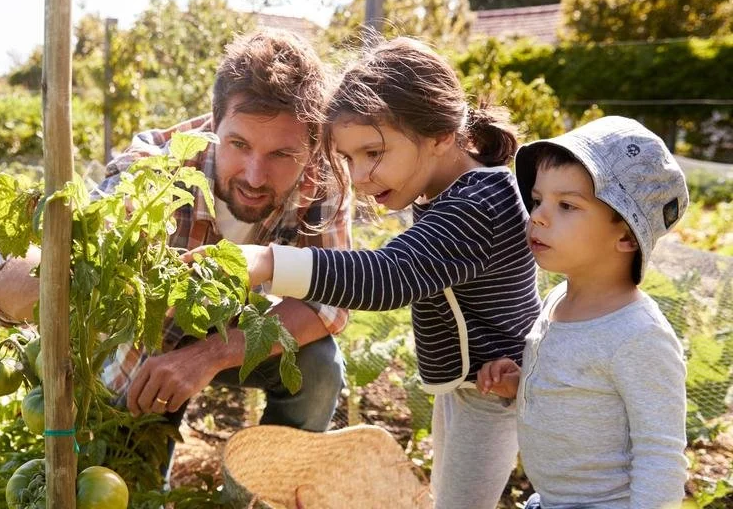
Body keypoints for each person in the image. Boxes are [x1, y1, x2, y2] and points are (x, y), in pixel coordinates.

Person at [214, 37, 542, 508]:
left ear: (440, 135)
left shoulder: (479, 205)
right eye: (349, 158)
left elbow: (388, 274)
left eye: (373, 153)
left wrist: (268, 262)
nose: (360, 176)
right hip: (474, 388)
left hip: (496, 393)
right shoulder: (451, 194)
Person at [0, 29, 350, 439]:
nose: (254, 175)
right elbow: (69, 247)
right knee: (129, 474)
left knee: (318, 366)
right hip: (150, 343)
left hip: (236, 332)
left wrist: (207, 355)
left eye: (282, 154)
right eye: (239, 144)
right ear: (215, 122)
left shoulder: (323, 178)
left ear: (312, 144)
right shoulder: (158, 166)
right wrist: (28, 278)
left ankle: (270, 489)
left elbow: (328, 303)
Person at [477, 116, 689, 508]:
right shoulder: (559, 299)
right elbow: (581, 391)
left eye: (567, 205)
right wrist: (522, 384)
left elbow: (661, 458)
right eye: (538, 200)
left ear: (625, 234)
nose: (537, 216)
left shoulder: (638, 336)